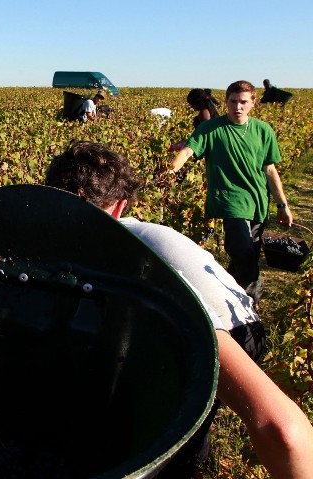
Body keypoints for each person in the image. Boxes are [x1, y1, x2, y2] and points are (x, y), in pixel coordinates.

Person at [45, 141, 313, 479]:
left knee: (177, 431)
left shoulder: (141, 263)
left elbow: (283, 431)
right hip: (182, 314)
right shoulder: (73, 242)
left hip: (238, 332)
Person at [169, 80, 292, 305]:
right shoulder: (211, 128)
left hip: (258, 202)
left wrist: (283, 206)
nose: (238, 107)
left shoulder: (263, 131)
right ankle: (251, 302)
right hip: (229, 201)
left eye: (243, 102)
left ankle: (225, 294)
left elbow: (271, 170)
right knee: (243, 252)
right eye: (233, 101)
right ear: (226, 101)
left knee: (247, 254)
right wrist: (169, 171)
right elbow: (187, 151)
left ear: (253, 102)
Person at [168, 88, 220, 152]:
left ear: (198, 103)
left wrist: (184, 145)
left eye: (192, 104)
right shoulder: (209, 111)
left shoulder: (204, 114)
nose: (191, 106)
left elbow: (205, 139)